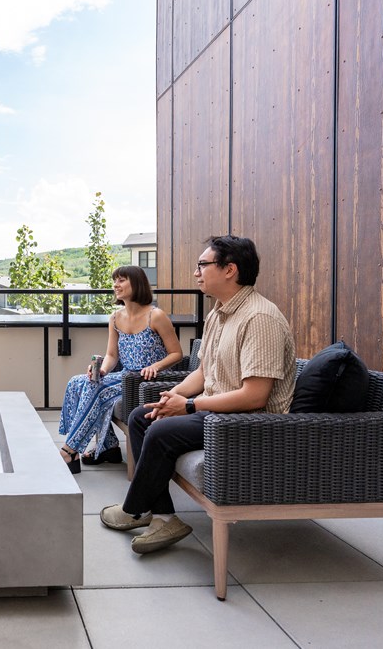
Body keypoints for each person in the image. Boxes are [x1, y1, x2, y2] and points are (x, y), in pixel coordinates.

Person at [99, 235, 296, 554]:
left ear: (229, 269)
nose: (196, 273)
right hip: (218, 411)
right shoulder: (219, 313)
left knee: (160, 430)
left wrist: (189, 405)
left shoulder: (259, 318)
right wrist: (171, 396)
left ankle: (134, 508)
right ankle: (162, 516)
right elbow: (203, 373)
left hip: (249, 421)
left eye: (202, 265)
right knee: (142, 416)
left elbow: (255, 396)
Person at [58, 265, 183, 474]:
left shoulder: (156, 316)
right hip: (123, 377)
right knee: (78, 382)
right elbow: (112, 355)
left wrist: (155, 366)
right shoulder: (115, 318)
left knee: (95, 389)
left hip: (146, 381)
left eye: (122, 280)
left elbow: (176, 353)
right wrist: (102, 370)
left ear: (138, 283)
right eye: (115, 280)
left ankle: (70, 450)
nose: (116, 285)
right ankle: (108, 447)